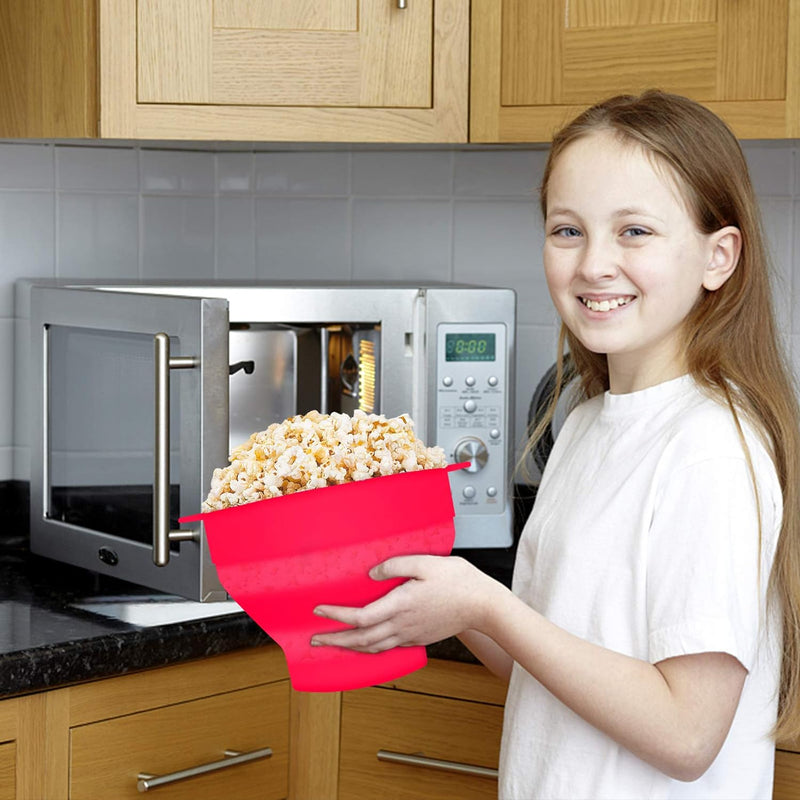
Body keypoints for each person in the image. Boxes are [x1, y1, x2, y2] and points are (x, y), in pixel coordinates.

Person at [310, 90, 800, 799]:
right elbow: (550, 671)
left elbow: (687, 736)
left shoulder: (709, 449)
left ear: (717, 257)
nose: (595, 264)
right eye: (568, 230)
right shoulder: (588, 424)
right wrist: (436, 589)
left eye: (635, 231)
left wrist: (485, 604)